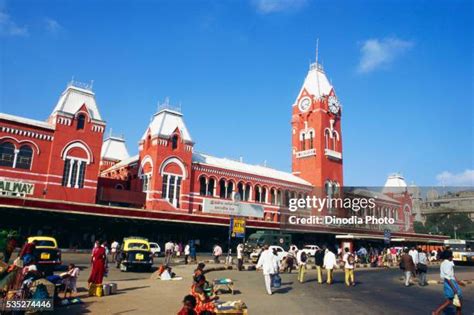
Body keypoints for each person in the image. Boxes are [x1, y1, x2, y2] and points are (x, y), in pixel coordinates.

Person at [432, 251, 464, 315]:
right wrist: (454, 288)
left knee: (451, 300)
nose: (453, 257)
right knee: (456, 299)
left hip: (449, 282)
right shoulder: (448, 264)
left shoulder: (444, 263)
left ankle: (437, 312)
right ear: (449, 257)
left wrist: (457, 281)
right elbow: (447, 277)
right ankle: (437, 312)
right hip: (450, 283)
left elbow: (451, 274)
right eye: (452, 256)